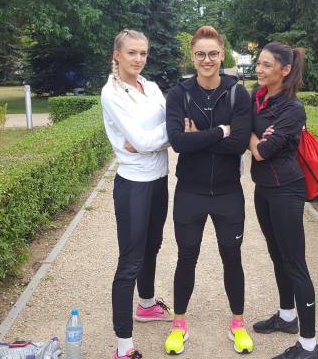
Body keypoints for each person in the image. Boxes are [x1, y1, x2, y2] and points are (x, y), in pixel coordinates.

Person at [164, 25, 255, 355]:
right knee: (186, 257)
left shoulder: (237, 93)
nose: (207, 60)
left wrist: (198, 137)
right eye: (200, 54)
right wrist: (220, 131)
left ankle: (238, 324)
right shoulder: (179, 94)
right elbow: (178, 142)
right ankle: (179, 325)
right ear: (192, 56)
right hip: (190, 191)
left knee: (232, 256)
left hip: (228, 192)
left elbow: (239, 144)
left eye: (213, 54)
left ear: (222, 55)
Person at [101, 29, 172, 359]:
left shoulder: (152, 87)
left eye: (143, 53)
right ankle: (123, 344)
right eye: (132, 52)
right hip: (133, 185)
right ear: (117, 54)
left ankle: (146, 304)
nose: (139, 59)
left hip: (159, 179)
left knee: (153, 246)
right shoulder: (111, 93)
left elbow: (169, 126)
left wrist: (151, 139)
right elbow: (143, 142)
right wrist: (157, 139)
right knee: (130, 260)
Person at [249, 42, 318, 359]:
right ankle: (287, 316)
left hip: (286, 190)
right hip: (263, 189)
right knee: (277, 254)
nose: (259, 69)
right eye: (259, 63)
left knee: (295, 263)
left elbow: (262, 151)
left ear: (285, 69)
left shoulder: (292, 109)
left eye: (267, 65)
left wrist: (250, 138)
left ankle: (309, 346)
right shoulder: (258, 96)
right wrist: (253, 135)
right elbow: (247, 132)